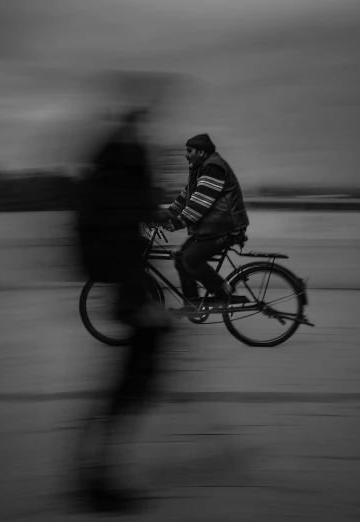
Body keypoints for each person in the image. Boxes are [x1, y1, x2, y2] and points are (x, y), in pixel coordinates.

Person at [74, 105, 170, 513]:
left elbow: (133, 216)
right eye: (141, 125)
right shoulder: (122, 162)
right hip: (129, 282)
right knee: (128, 385)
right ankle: (96, 477)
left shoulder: (112, 162)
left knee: (128, 383)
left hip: (128, 280)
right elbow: (136, 214)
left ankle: (97, 473)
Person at [161, 133, 250, 311]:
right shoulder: (199, 169)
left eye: (189, 150)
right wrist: (164, 216)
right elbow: (186, 197)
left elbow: (200, 203)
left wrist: (177, 223)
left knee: (191, 259)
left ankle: (224, 292)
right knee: (181, 259)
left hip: (226, 229)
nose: (186, 155)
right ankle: (192, 303)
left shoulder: (213, 168)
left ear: (201, 152)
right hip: (212, 229)